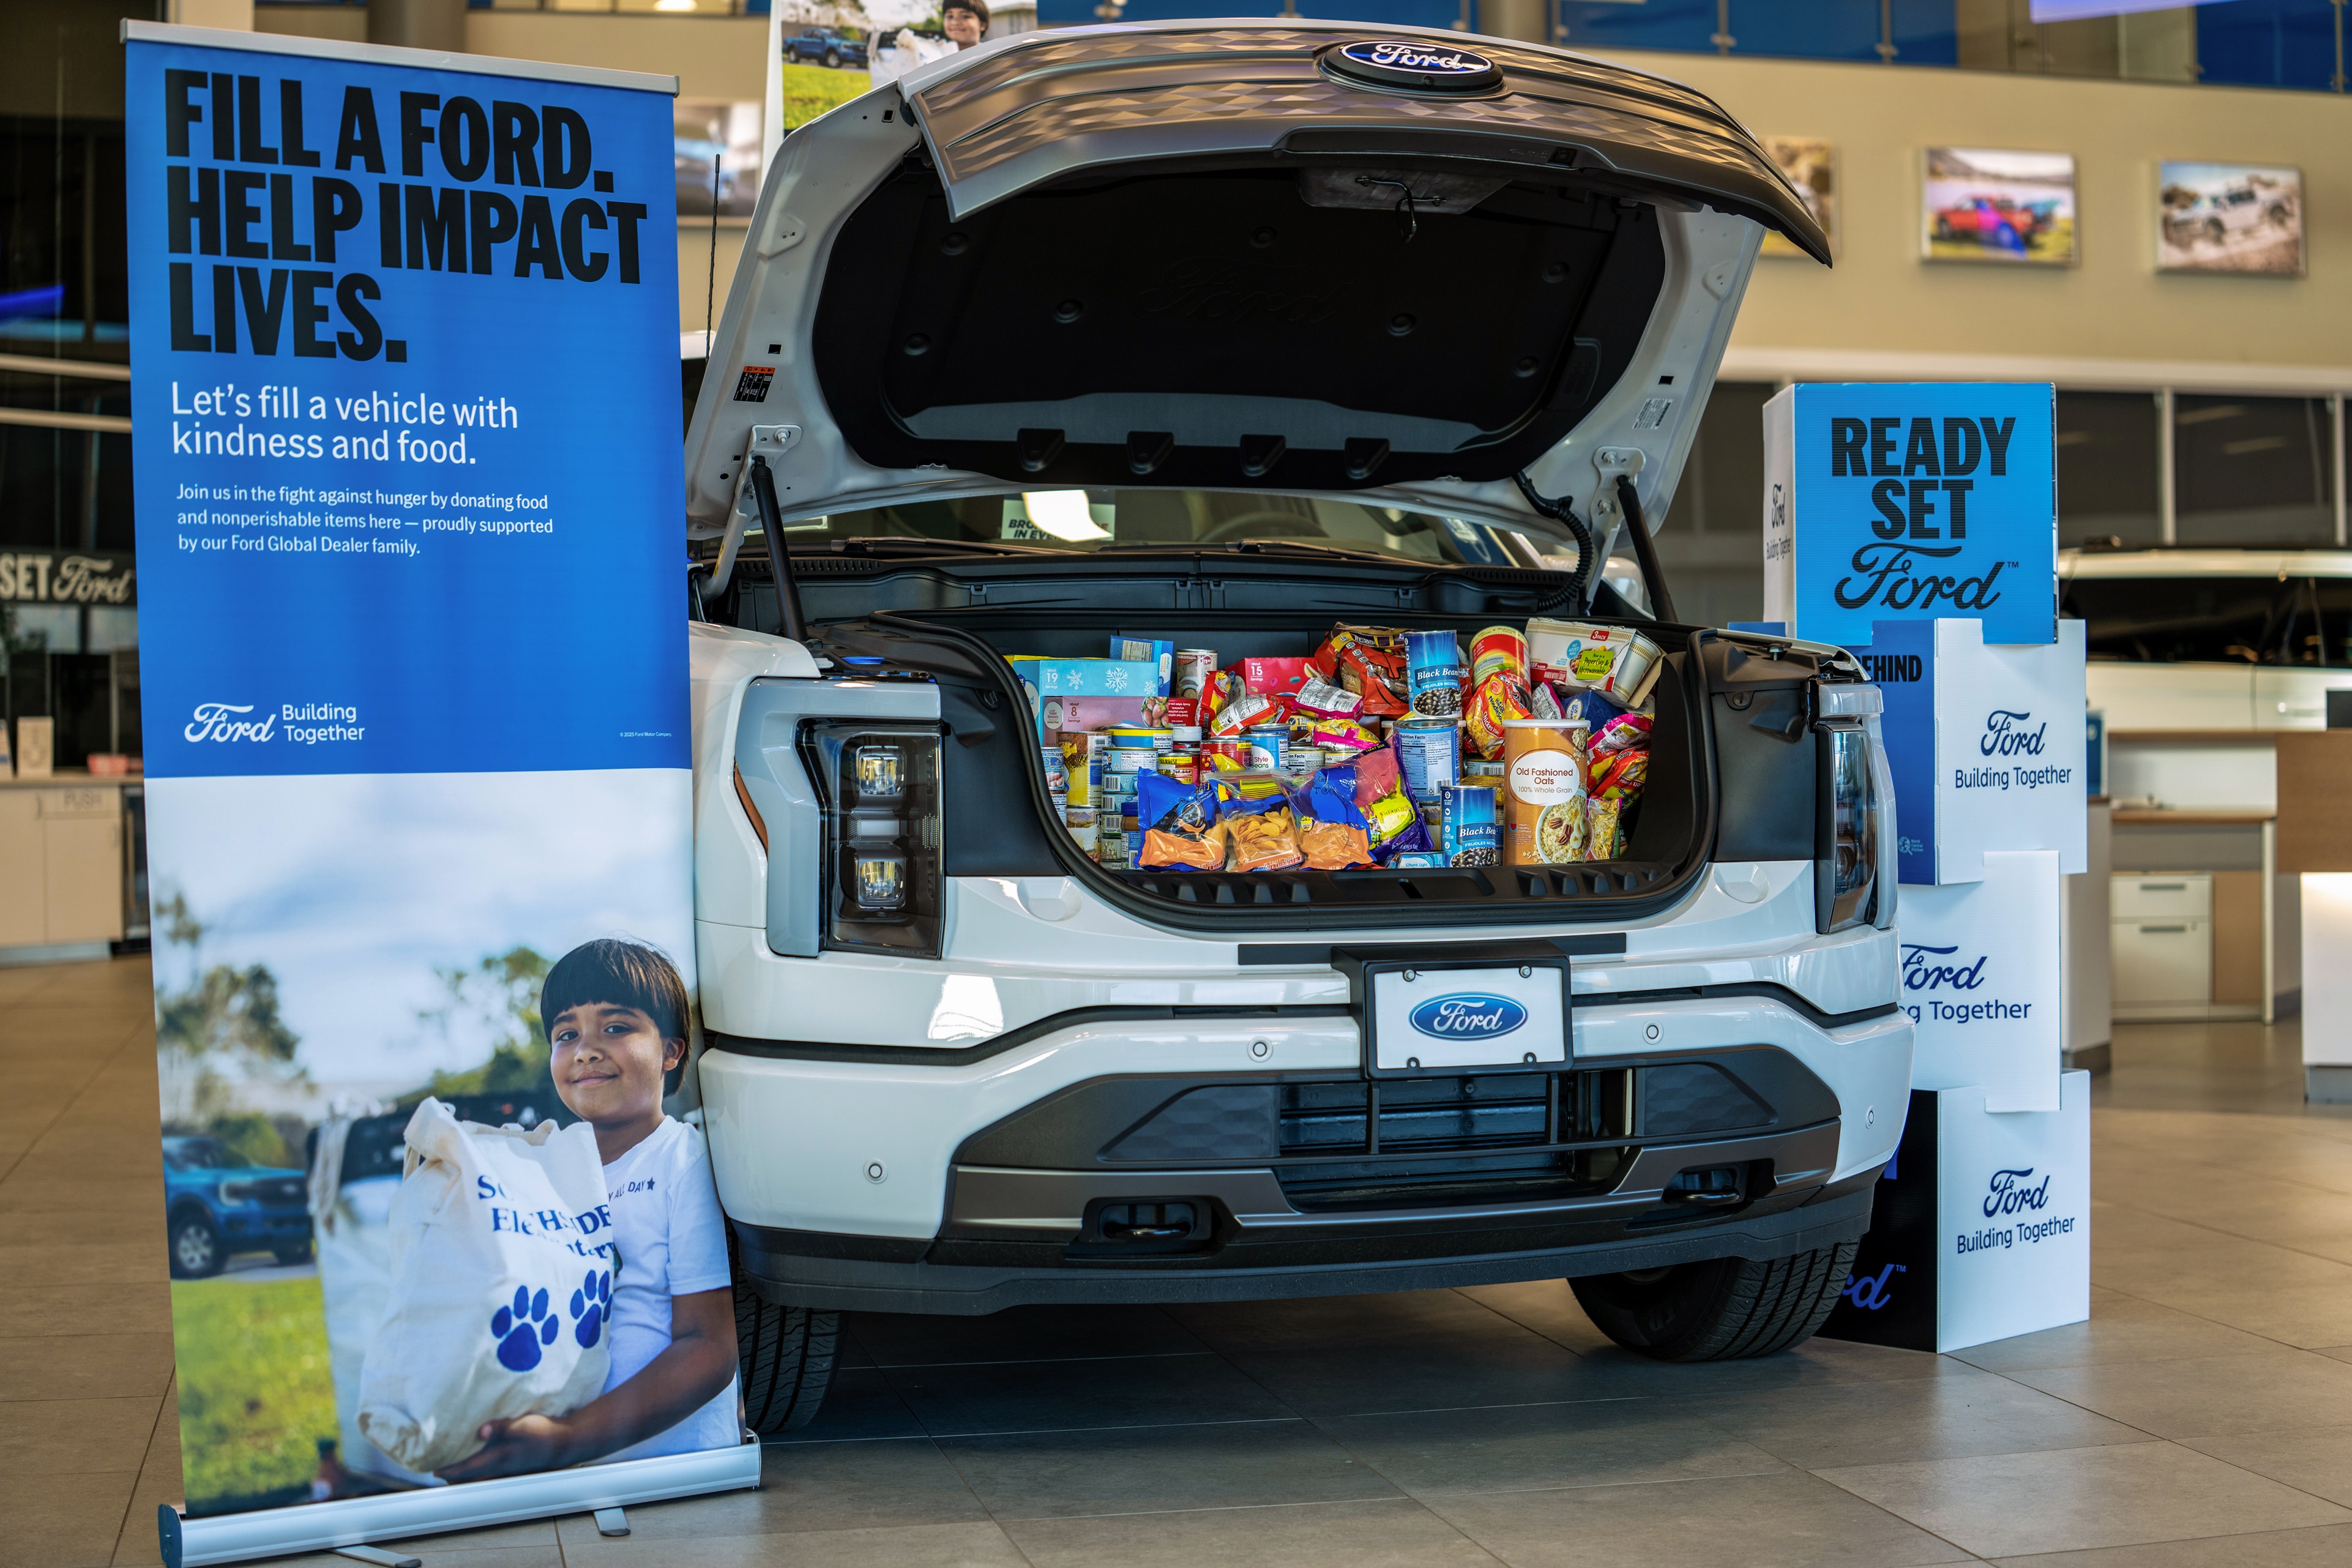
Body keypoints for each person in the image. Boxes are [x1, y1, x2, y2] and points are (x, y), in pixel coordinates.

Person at [436, 939, 739, 1479]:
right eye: (566, 1034)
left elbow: (709, 1347)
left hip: (672, 1470)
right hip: (571, 1473)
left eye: (616, 1028)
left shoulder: (682, 1159)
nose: (586, 1049)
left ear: (670, 1052)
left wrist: (567, 1438)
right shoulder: (543, 1172)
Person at [870, 1, 988, 88]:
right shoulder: (932, 52)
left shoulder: (991, 55)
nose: (955, 22)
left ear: (982, 24)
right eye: (949, 16)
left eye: (965, 16)